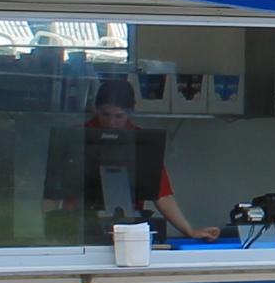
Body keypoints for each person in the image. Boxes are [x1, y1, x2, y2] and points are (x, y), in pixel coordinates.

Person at [84, 75, 217, 241]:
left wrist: (190, 231)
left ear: (130, 112)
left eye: (119, 116)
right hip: (79, 223)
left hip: (129, 225)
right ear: (96, 109)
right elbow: (52, 192)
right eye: (105, 114)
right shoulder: (78, 136)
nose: (111, 122)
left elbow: (162, 194)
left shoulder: (141, 142)